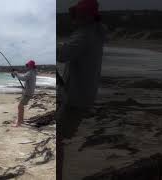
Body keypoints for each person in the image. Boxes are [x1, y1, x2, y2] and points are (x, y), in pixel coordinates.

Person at [57, 0, 106, 179]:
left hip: (76, 97)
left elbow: (63, 55)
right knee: (58, 138)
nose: (75, 17)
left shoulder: (85, 35)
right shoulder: (96, 32)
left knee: (57, 139)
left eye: (78, 14)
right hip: (83, 94)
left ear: (87, 16)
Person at [11, 60, 37, 127]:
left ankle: (19, 123)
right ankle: (21, 121)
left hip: (28, 93)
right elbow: (25, 77)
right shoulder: (32, 72)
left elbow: (23, 78)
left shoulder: (30, 72)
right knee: (21, 106)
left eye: (27, 65)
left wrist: (16, 73)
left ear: (30, 66)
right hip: (28, 92)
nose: (26, 66)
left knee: (20, 106)